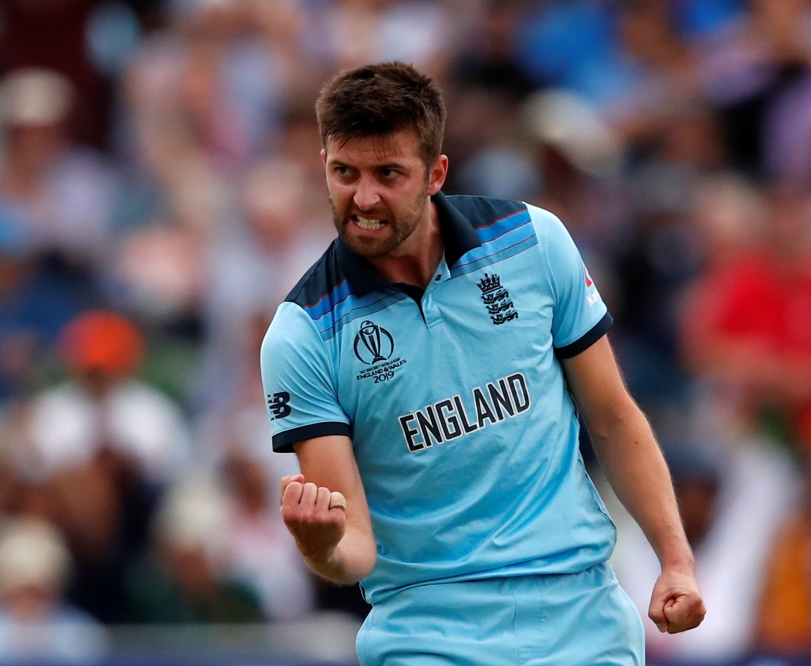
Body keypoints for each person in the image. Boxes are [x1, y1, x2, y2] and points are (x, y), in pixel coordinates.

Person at [259, 62, 705, 665]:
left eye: (388, 173)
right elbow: (355, 546)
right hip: (428, 632)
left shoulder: (534, 239)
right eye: (345, 173)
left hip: (581, 614)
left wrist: (674, 560)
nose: (363, 198)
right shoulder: (303, 335)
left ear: (435, 174)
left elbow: (613, 419)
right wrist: (321, 545)